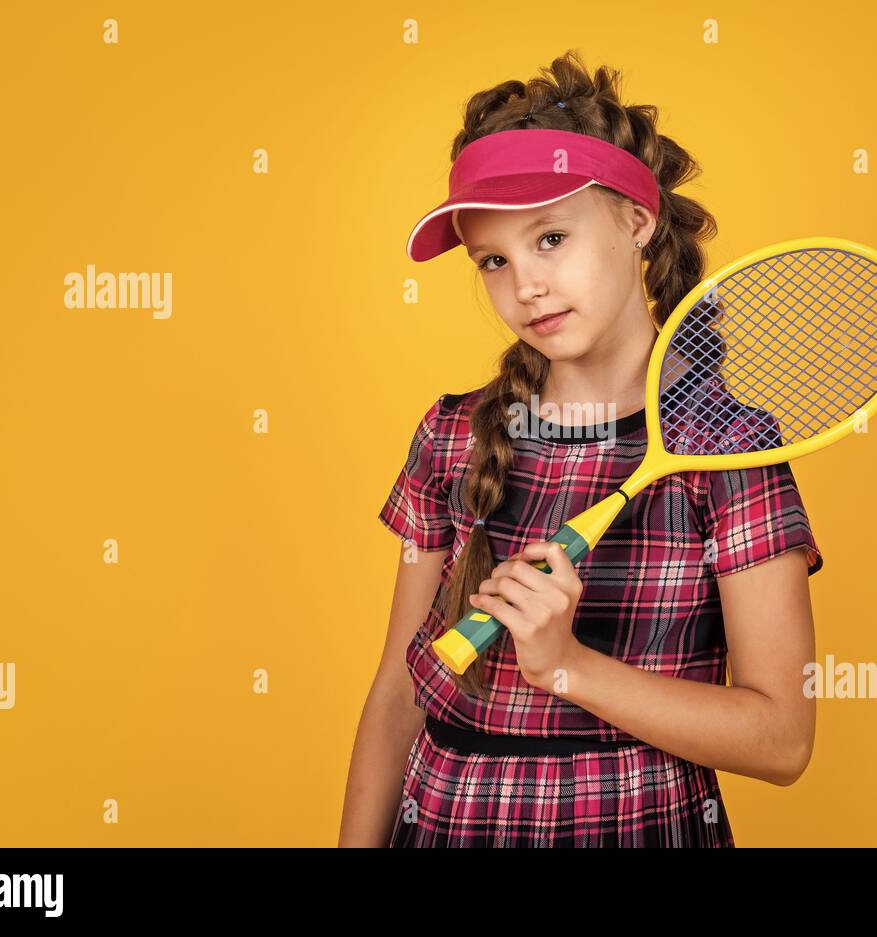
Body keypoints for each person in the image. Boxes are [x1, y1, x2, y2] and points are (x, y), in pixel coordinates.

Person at [339, 50, 823, 848]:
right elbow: (398, 693)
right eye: (493, 259)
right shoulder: (451, 434)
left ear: (638, 219)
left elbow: (782, 738)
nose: (523, 284)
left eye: (551, 238)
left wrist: (568, 665)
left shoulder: (725, 448)